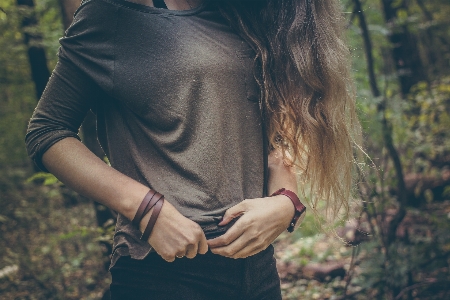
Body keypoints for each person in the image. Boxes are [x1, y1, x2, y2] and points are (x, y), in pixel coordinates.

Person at [26, 0, 359, 299]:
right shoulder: (111, 15)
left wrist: (287, 200)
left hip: (257, 271)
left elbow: (269, 121)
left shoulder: (237, 12)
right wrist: (146, 209)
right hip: (166, 273)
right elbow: (47, 131)